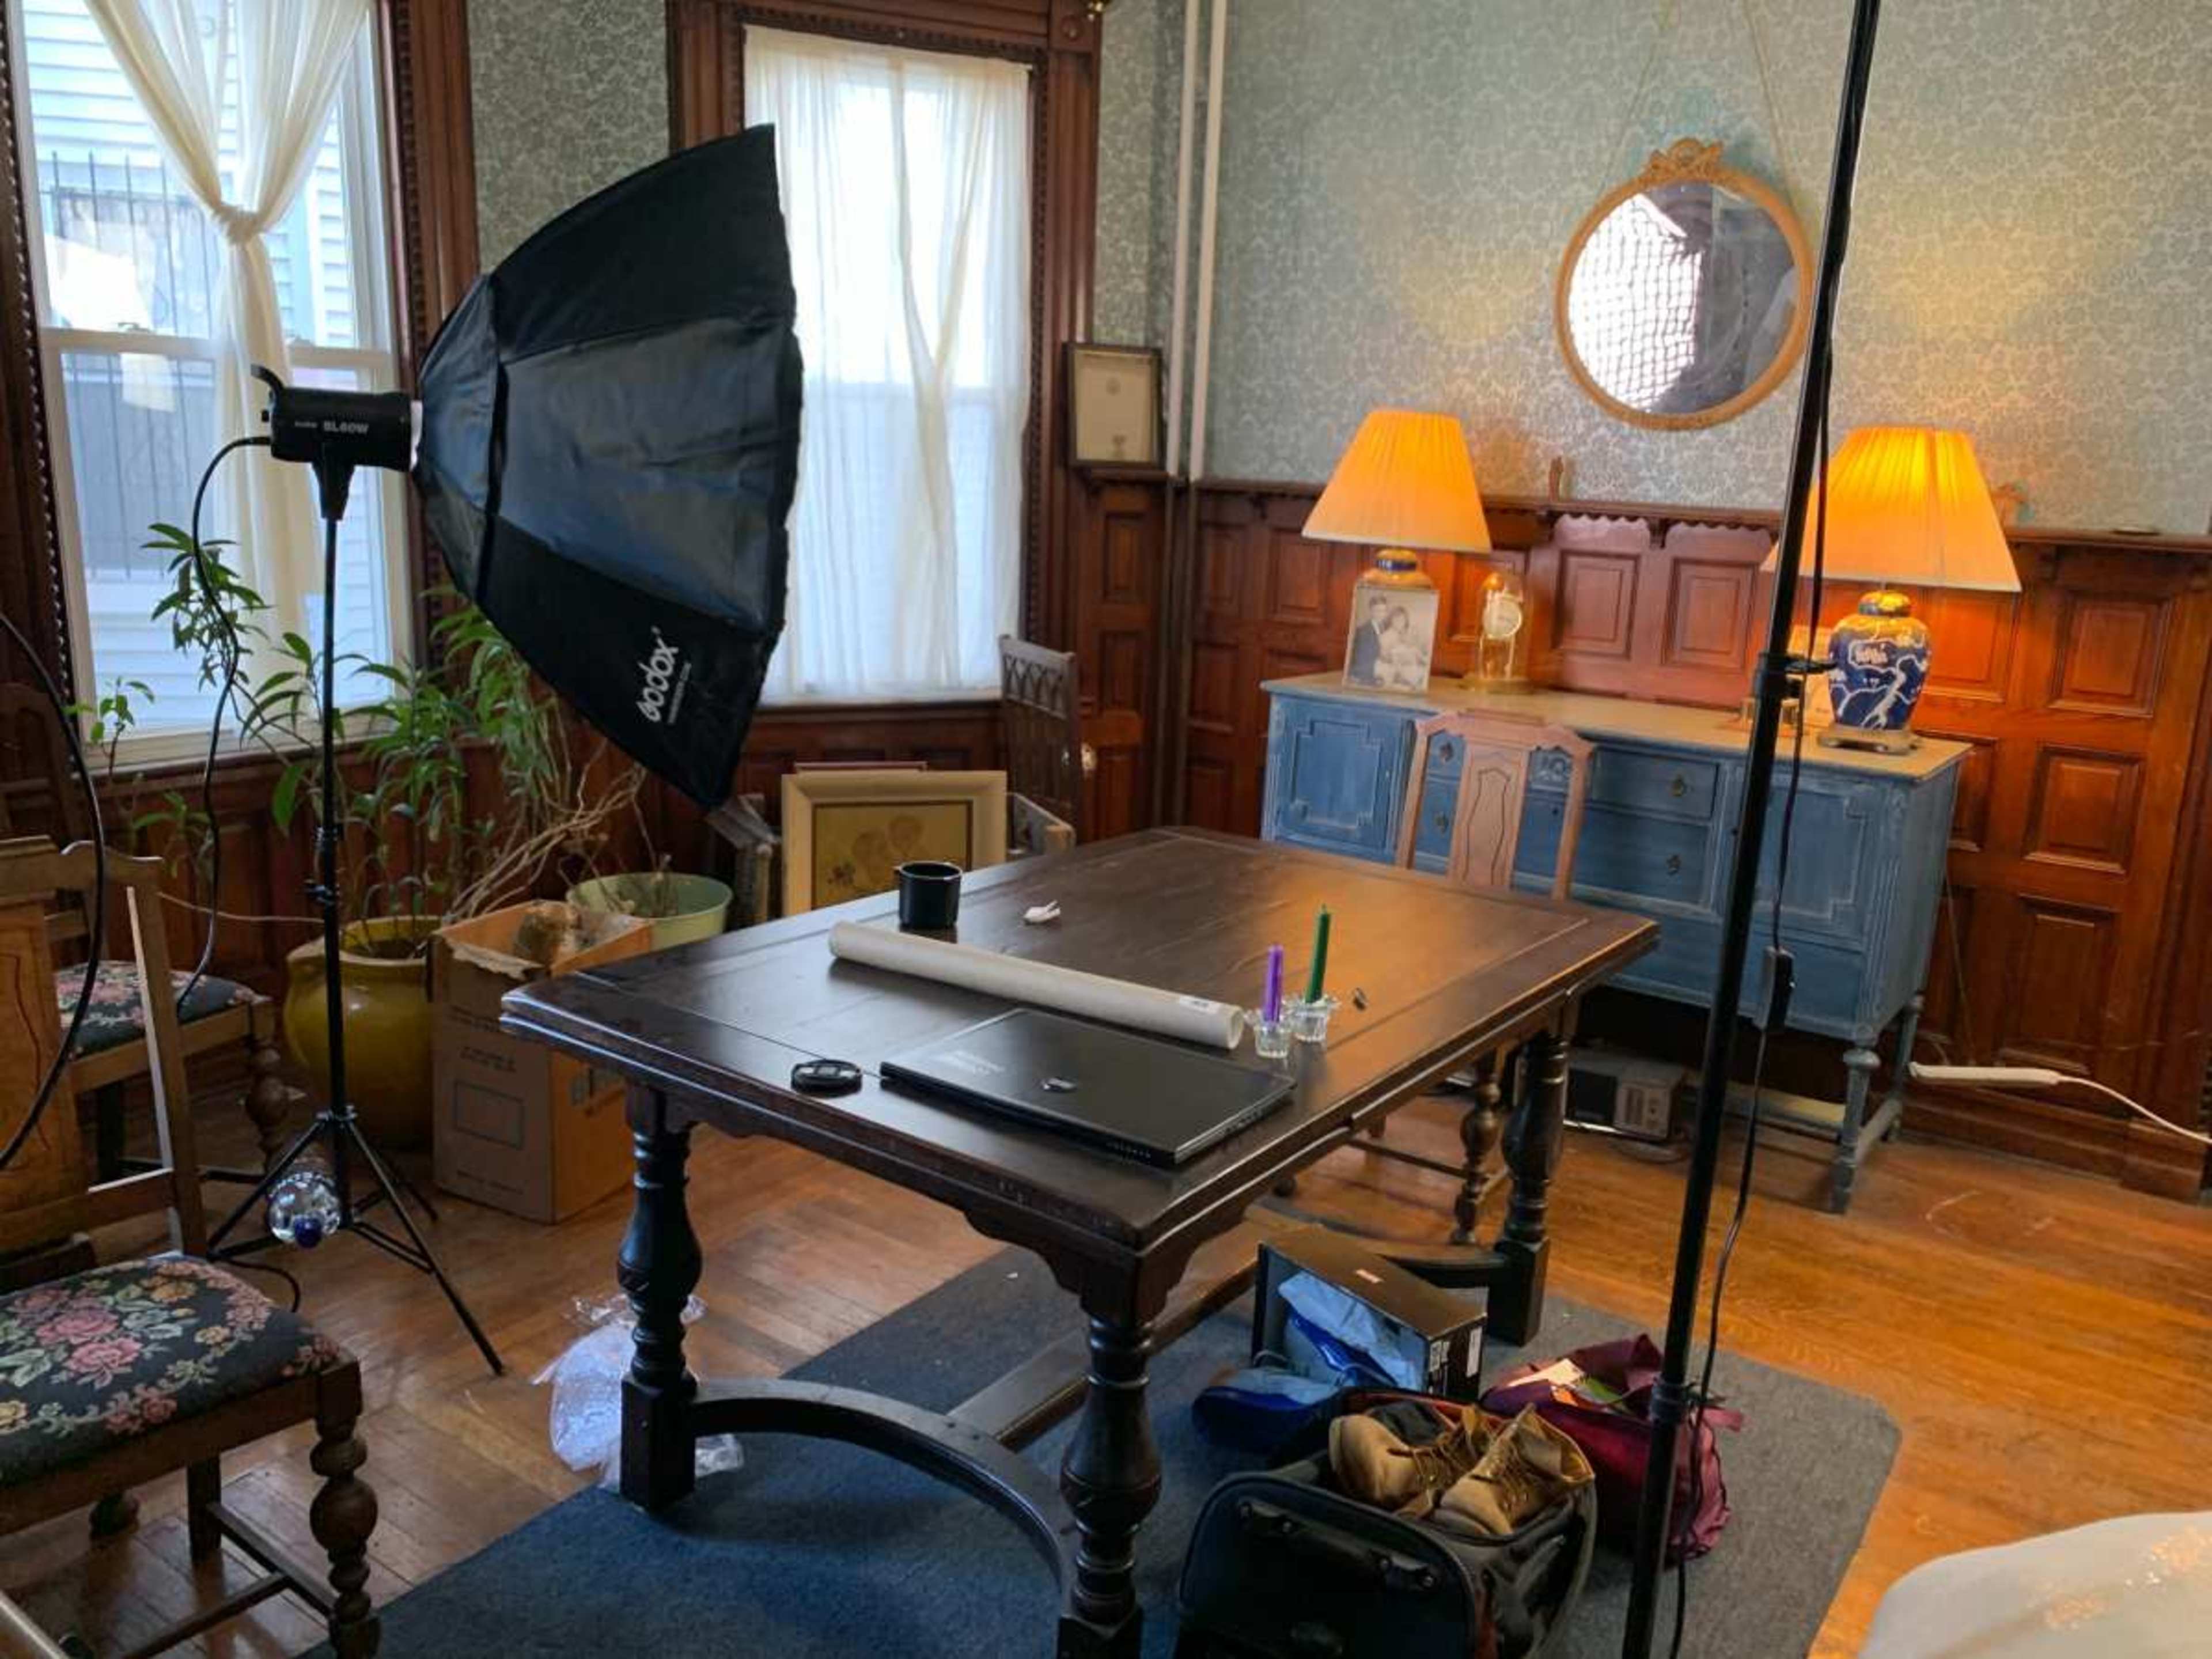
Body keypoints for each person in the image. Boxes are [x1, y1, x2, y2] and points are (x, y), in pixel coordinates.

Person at [1380, 605, 1430, 690]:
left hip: (1407, 665)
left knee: (1415, 653)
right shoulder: (1386, 636)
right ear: (1391, 621)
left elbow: (1413, 649)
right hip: (1392, 666)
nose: (1400, 623)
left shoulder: (1404, 634)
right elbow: (1384, 656)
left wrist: (1412, 652)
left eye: (1403, 620)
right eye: (1397, 620)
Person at [1346, 594, 1390, 685]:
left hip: (1378, 673)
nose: (1381, 614)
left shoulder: (1384, 628)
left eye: (1384, 611)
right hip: (1366, 678)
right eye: (1378, 611)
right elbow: (1361, 661)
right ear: (1371, 612)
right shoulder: (1363, 631)